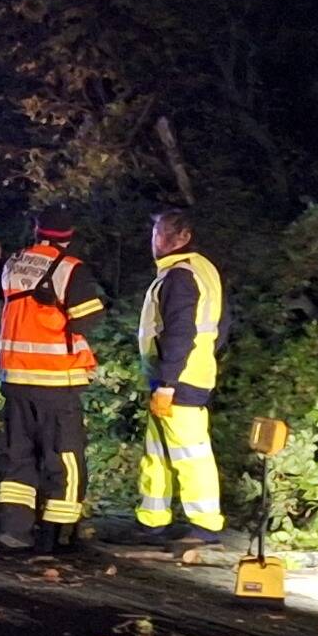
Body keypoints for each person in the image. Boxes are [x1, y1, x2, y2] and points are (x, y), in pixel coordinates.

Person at [0, 205, 107, 553]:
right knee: (63, 456)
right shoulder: (71, 270)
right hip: (56, 382)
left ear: (36, 231)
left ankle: (13, 531)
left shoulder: (13, 264)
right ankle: (59, 534)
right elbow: (87, 319)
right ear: (69, 236)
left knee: (18, 456)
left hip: (15, 381)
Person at [137, 208, 227, 545]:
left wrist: (169, 381)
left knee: (190, 454)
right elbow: (222, 326)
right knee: (158, 452)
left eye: (160, 233)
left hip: (178, 381)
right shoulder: (202, 269)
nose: (154, 241)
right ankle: (152, 522)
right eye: (154, 233)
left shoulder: (180, 276)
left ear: (182, 237)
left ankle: (204, 526)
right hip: (182, 375)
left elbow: (179, 332)